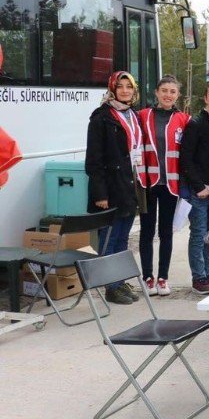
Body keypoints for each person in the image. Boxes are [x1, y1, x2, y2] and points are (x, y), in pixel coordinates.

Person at [86, 71, 146, 305]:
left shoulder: (133, 115)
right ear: (112, 89)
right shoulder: (101, 117)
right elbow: (93, 160)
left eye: (128, 87)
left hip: (130, 185)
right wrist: (100, 194)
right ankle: (110, 287)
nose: (124, 91)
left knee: (123, 238)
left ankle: (119, 281)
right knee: (109, 239)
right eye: (119, 87)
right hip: (110, 189)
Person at [137, 75, 189, 296]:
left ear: (177, 95)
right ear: (156, 93)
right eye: (164, 90)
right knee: (147, 231)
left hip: (171, 184)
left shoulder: (184, 120)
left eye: (173, 91)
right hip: (148, 182)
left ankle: (163, 278)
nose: (168, 95)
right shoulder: (142, 116)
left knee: (166, 232)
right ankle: (147, 277)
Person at [179, 80, 209, 295]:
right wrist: (198, 186)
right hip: (200, 191)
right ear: (205, 98)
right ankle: (198, 277)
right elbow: (186, 158)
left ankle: (207, 273)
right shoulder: (196, 123)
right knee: (198, 234)